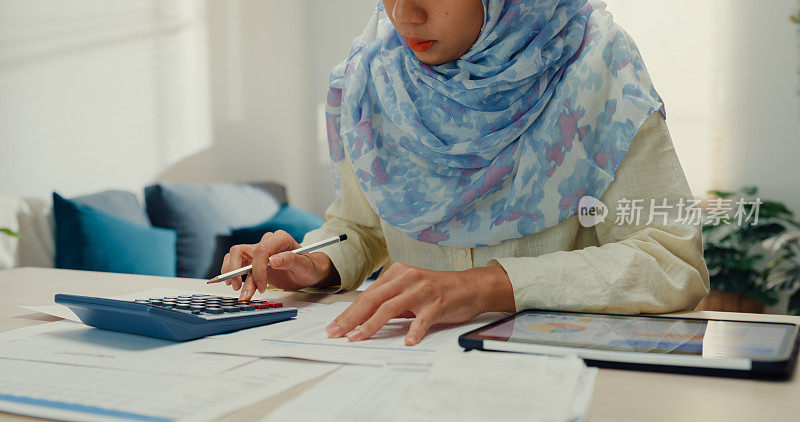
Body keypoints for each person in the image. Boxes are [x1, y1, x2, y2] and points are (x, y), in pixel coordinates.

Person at [221, 0, 710, 346]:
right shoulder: (373, 78)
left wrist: (485, 286)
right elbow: (363, 227)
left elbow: (670, 262)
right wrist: (316, 263)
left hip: (559, 378)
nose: (403, 13)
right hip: (409, 373)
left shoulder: (596, 65)